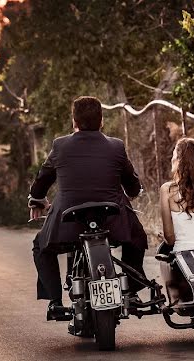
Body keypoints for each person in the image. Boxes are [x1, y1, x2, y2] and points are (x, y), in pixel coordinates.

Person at [29, 96, 148, 320]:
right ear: (101, 121)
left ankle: (55, 301)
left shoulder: (60, 145)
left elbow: (43, 179)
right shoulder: (116, 146)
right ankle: (131, 292)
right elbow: (131, 183)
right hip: (113, 218)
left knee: (40, 247)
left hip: (68, 221)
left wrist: (37, 199)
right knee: (137, 238)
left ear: (74, 121)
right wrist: (134, 192)